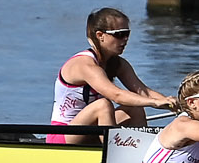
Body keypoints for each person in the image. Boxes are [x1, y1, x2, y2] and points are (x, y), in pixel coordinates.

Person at [50, 8, 173, 143]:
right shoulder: (85, 65)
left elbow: (144, 92)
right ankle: (113, 153)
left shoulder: (118, 64)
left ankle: (141, 152)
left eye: (127, 34)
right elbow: (117, 95)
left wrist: (174, 104)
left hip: (92, 130)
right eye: (119, 34)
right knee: (103, 105)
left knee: (135, 108)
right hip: (63, 134)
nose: (125, 39)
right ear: (100, 35)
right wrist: (155, 103)